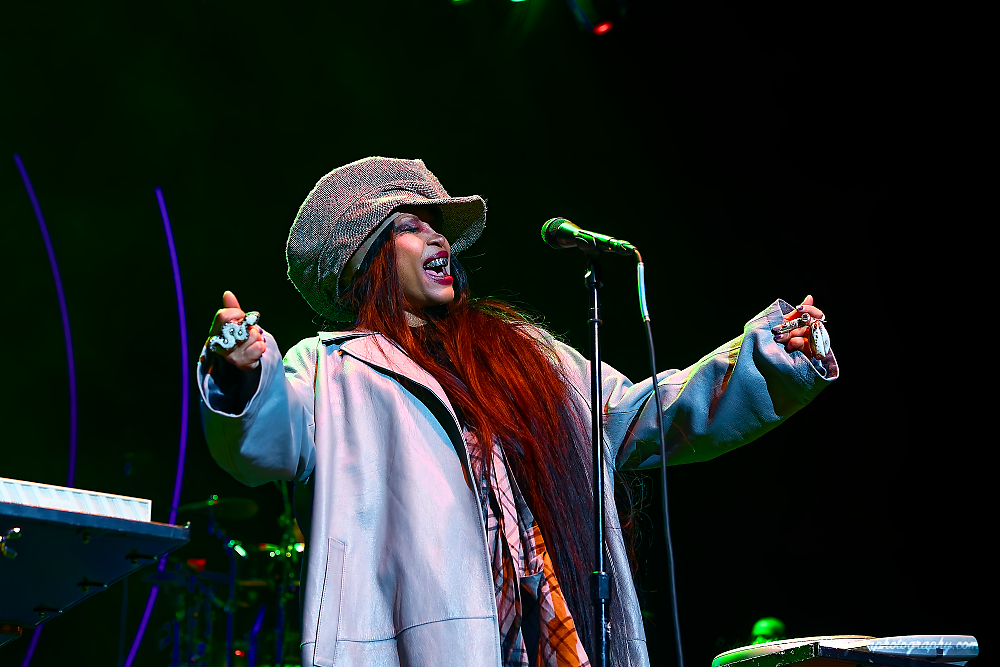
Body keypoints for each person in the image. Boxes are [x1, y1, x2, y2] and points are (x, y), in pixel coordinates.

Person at [198, 157, 838, 667]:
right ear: (366, 262)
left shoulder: (525, 354)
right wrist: (241, 373)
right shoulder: (335, 369)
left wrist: (762, 359)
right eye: (412, 224)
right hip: (432, 639)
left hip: (554, 624)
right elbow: (268, 444)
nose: (438, 235)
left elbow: (643, 413)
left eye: (438, 222)